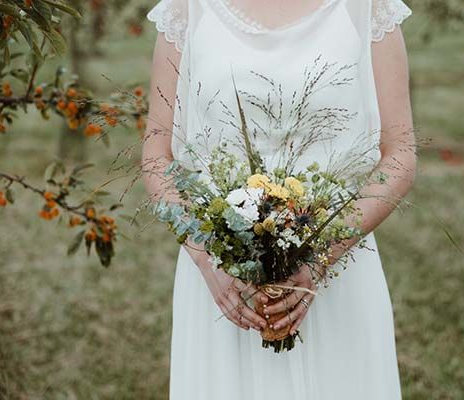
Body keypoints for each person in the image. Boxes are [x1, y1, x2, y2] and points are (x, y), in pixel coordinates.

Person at [142, 0, 416, 398]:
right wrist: (208, 258)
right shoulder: (186, 8)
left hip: (337, 275)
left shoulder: (368, 7)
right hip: (223, 286)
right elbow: (156, 156)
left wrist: (322, 255)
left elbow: (401, 154)